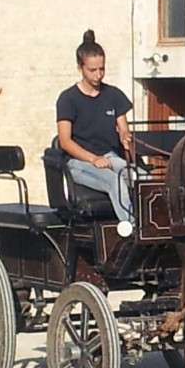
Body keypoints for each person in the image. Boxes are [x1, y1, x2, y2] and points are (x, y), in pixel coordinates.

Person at [56, 29, 136, 228]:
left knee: (144, 179)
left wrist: (126, 137)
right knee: (114, 181)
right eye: (93, 70)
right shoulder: (68, 99)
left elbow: (123, 129)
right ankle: (133, 229)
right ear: (80, 68)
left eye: (102, 69)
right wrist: (93, 159)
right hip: (79, 162)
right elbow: (65, 141)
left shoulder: (114, 95)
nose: (98, 75)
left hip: (110, 157)